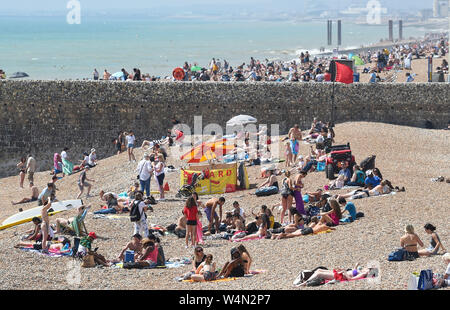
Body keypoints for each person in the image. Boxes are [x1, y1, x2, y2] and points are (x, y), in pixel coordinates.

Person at [297, 264, 377, 287]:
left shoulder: (363, 274)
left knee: (319, 273)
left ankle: (302, 284)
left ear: (369, 271)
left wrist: (344, 272)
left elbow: (350, 279)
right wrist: (355, 267)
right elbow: (353, 272)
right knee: (318, 270)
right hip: (340, 273)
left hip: (340, 276)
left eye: (369, 268)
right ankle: (305, 280)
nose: (367, 267)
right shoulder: (362, 271)